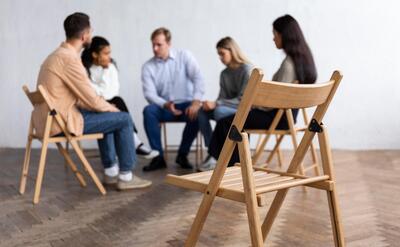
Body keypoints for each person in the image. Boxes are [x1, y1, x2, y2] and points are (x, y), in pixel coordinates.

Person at [32, 12, 152, 190]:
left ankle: (111, 171)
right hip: (61, 123)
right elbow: (91, 99)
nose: (91, 34)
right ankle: (126, 176)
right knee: (123, 118)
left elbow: (82, 98)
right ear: (84, 35)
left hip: (49, 120)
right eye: (90, 30)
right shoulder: (69, 59)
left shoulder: (56, 55)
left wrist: (105, 108)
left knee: (107, 114)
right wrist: (111, 109)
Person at [206, 14, 317, 166]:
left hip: (277, 117)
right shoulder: (302, 60)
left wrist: (255, 102)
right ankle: (230, 163)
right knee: (231, 120)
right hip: (288, 117)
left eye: (275, 34)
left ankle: (230, 166)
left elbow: (274, 101)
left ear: (283, 36)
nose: (273, 39)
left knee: (230, 122)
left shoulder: (288, 65)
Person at [81, 36, 159, 159]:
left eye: (110, 53)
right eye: (106, 53)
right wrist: (102, 100)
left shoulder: (111, 66)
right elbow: (89, 92)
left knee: (117, 101)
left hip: (110, 102)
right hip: (92, 105)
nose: (109, 57)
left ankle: (131, 146)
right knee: (114, 110)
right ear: (95, 54)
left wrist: (105, 74)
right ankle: (135, 144)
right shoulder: (84, 69)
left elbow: (113, 91)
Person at [141, 27, 205, 171]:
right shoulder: (148, 67)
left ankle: (182, 155)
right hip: (165, 107)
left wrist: (196, 102)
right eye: (153, 45)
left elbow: (198, 78)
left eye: (159, 44)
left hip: (187, 105)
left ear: (169, 43)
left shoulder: (185, 56)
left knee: (199, 111)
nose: (155, 48)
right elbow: (149, 94)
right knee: (148, 111)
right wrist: (165, 104)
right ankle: (158, 157)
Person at [197, 37, 253, 171]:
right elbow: (222, 97)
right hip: (226, 108)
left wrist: (216, 103)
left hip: (244, 109)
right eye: (218, 54)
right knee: (201, 112)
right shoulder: (224, 74)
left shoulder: (247, 70)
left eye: (222, 53)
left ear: (232, 51)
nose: (220, 58)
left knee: (219, 111)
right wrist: (212, 104)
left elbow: (243, 99)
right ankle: (212, 151)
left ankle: (217, 154)